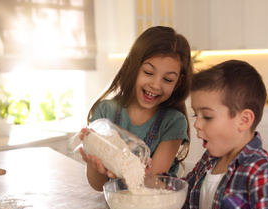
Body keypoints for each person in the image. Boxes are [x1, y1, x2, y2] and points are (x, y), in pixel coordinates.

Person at [161, 60, 268, 209]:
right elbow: (183, 193)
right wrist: (152, 181)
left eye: (207, 116)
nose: (196, 124)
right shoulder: (209, 160)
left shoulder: (259, 169)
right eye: (195, 114)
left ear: (244, 120)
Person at [79, 26, 193, 191]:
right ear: (134, 66)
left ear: (178, 83)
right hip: (115, 206)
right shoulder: (105, 112)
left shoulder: (173, 122)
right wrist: (94, 165)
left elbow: (149, 182)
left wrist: (123, 164)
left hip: (152, 207)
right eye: (148, 72)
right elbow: (98, 186)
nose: (155, 85)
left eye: (167, 79)